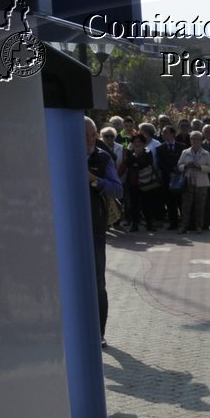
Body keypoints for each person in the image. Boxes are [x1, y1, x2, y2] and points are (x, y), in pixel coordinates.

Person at [86, 117, 122, 346]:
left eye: (92, 135)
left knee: (98, 281)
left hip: (95, 228)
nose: (89, 140)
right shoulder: (60, 154)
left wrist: (95, 181)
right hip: (65, 230)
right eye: (84, 136)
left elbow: (118, 189)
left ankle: (99, 333)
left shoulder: (102, 156)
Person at [176, 130, 210, 233]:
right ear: (190, 140)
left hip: (201, 183)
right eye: (193, 138)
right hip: (188, 182)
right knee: (186, 206)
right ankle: (183, 226)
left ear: (201, 140)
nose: (196, 141)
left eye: (198, 139)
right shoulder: (185, 152)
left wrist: (200, 167)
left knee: (200, 206)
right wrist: (185, 166)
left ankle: (199, 226)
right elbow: (179, 166)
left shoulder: (206, 153)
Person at [123, 133, 160, 233]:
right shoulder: (129, 152)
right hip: (133, 182)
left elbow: (146, 164)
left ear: (143, 143)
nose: (137, 144)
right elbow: (128, 163)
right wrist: (136, 161)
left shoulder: (148, 152)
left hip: (146, 182)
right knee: (134, 205)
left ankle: (149, 224)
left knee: (147, 204)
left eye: (139, 142)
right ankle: (134, 224)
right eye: (135, 142)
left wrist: (137, 160)